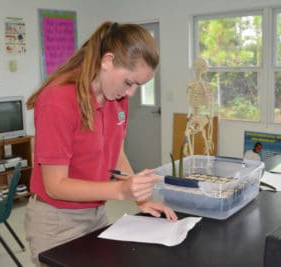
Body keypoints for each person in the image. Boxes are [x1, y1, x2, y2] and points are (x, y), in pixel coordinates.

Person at [24, 21, 178, 266]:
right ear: (107, 61)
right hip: (57, 221)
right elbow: (55, 185)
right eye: (129, 82)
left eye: (139, 85)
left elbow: (115, 152)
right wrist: (120, 190)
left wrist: (140, 197)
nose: (131, 93)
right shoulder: (58, 101)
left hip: (95, 213)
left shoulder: (116, 97)